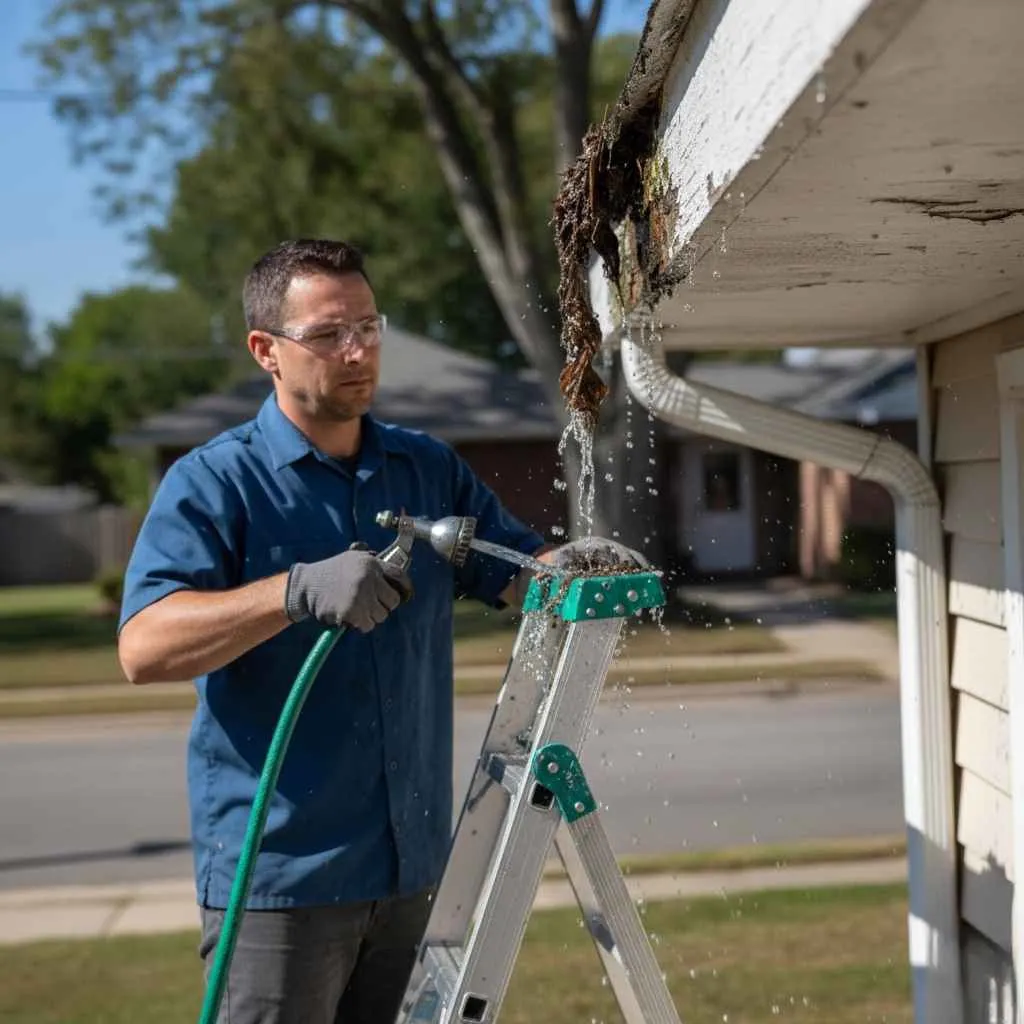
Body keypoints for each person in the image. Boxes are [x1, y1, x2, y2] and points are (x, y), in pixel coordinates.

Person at [117, 239, 643, 1024]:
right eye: (328, 334)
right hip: (282, 884)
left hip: (415, 873)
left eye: (369, 325)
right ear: (266, 350)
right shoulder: (215, 482)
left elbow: (516, 570)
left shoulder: (424, 468)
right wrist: (292, 592)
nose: (358, 350)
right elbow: (145, 647)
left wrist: (569, 568)